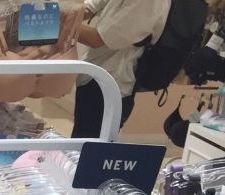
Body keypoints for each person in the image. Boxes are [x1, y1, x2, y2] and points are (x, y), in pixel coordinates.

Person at [71, 0, 171, 139]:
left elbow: (98, 39)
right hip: (96, 75)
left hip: (111, 84)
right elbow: (92, 6)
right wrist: (57, 14)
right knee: (81, 139)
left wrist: (55, 23)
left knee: (89, 144)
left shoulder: (147, 3)